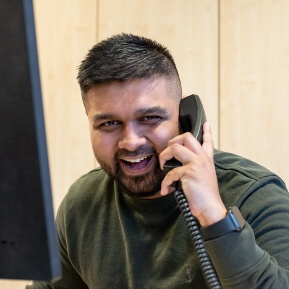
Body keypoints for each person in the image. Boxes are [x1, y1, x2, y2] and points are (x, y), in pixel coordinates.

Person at [26, 33, 289, 289]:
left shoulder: (255, 194)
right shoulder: (81, 203)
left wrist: (214, 216)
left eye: (150, 118)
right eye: (109, 123)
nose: (130, 141)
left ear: (185, 117)